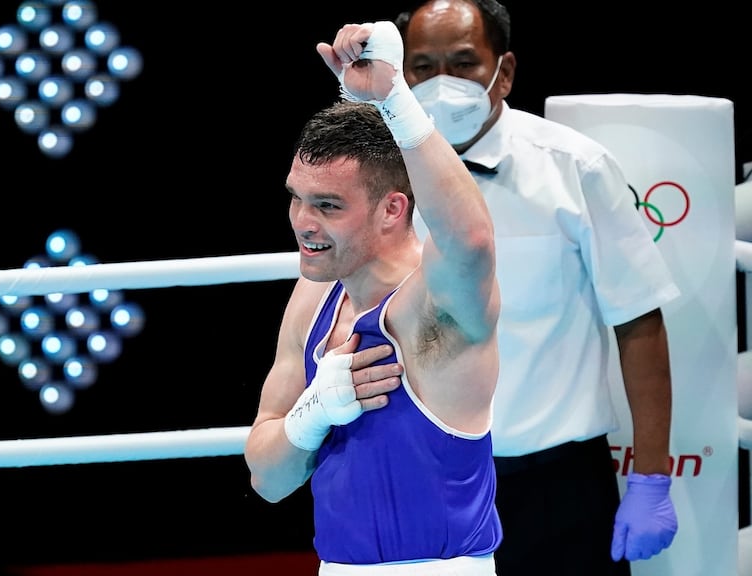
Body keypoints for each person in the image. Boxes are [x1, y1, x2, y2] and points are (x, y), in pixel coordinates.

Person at [393, 1, 681, 574]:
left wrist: (650, 477)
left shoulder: (575, 167)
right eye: (422, 67)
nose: (441, 83)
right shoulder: (378, 172)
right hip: (421, 478)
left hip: (558, 486)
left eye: (463, 63)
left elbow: (638, 321)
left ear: (504, 71)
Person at [244, 19, 502, 576]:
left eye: (329, 206)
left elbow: (472, 240)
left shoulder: (434, 307)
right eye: (297, 198)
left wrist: (395, 98)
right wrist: (313, 413)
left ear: (393, 209)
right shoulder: (314, 297)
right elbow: (266, 479)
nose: (303, 223)